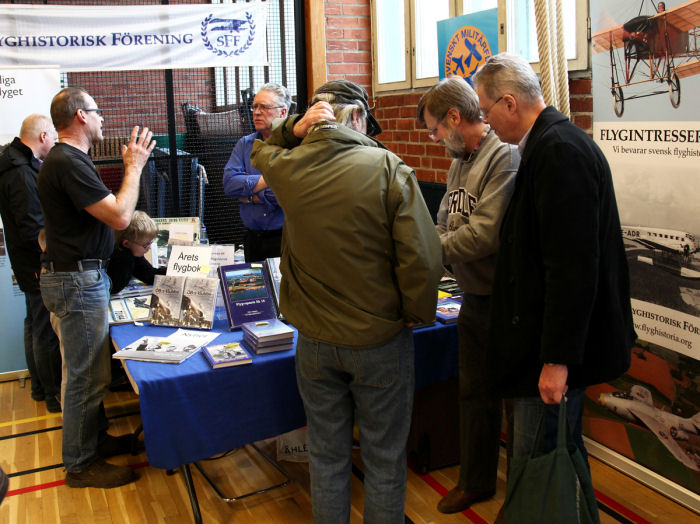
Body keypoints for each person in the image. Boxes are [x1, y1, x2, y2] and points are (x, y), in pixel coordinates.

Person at [250, 79, 444, 524]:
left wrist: (293, 129)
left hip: (315, 342)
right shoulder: (389, 168)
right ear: (356, 117)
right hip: (378, 340)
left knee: (326, 453)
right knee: (383, 458)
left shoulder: (288, 165)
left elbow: (260, 149)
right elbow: (422, 258)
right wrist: (415, 314)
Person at [472, 54, 635, 472]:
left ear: (509, 103)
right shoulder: (547, 144)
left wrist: (556, 360)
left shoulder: (559, 151)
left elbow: (572, 268)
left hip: (550, 354)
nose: (486, 123)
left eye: (486, 109)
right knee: (550, 458)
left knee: (543, 462)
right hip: (541, 344)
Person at [38, 87, 156, 488]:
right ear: (80, 116)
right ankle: (80, 464)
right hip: (76, 281)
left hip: (78, 278)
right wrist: (135, 166)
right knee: (86, 378)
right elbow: (121, 216)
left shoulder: (70, 160)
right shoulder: (68, 161)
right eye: (97, 111)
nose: (103, 118)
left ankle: (94, 442)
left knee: (89, 374)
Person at [416, 77, 519, 514]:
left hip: (508, 301)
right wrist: (429, 249)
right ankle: (476, 480)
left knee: (516, 400)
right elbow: (443, 222)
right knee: (473, 392)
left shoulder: (505, 156)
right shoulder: (461, 160)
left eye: (435, 129)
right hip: (473, 297)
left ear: (454, 118)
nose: (435, 139)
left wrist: (422, 252)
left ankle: (521, 489)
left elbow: (484, 234)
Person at [0, 114, 62, 413]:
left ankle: (40, 387)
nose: (54, 141)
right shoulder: (22, 172)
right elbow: (32, 227)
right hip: (35, 262)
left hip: (26, 261)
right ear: (42, 137)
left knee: (33, 323)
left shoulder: (15, 164)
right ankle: (51, 393)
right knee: (44, 327)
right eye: (52, 136)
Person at [222, 83, 291, 262]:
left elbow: (289, 193)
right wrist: (270, 180)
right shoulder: (245, 144)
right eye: (255, 106)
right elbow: (230, 184)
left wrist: (251, 196)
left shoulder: (296, 146)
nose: (257, 112)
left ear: (283, 112)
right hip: (253, 240)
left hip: (287, 240)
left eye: (264, 107)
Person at [107, 210, 165, 294]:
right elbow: (115, 288)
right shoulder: (120, 257)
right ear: (126, 243)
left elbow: (149, 275)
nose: (149, 248)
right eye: (145, 245)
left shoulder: (134, 252)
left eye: (150, 243)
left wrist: (172, 270)